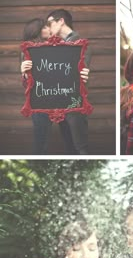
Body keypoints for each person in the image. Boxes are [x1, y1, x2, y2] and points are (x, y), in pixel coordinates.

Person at [21, 17, 89, 155]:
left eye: (48, 26)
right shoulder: (28, 51)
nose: (48, 29)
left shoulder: (60, 47)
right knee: (41, 142)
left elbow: (72, 71)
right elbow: (26, 84)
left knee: (70, 139)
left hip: (63, 100)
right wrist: (24, 72)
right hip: (40, 102)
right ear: (37, 31)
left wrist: (82, 74)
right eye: (45, 27)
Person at [46, 9, 91, 155]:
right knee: (69, 146)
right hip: (60, 105)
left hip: (74, 105)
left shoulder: (81, 43)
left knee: (80, 147)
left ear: (61, 21)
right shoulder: (57, 45)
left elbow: (73, 74)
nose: (48, 27)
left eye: (50, 23)